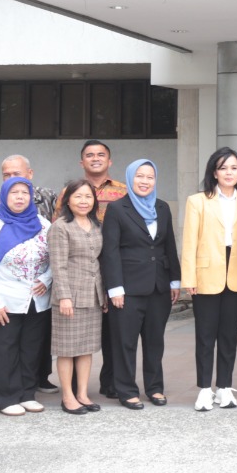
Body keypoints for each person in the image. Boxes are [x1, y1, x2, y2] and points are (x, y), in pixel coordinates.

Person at [0, 177, 52, 416]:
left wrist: (46, 280)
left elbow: (56, 256)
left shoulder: (44, 224)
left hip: (36, 300)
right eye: (14, 192)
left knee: (30, 349)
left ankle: (26, 393)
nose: (19, 197)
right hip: (1, 299)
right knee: (2, 350)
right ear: (4, 196)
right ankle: (5, 397)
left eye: (24, 193)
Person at [101, 159, 180, 409]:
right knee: (125, 341)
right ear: (130, 178)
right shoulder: (117, 209)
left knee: (155, 340)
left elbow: (169, 246)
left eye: (150, 177)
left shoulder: (162, 207)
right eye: (140, 176)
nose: (145, 181)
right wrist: (114, 288)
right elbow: (110, 251)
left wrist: (175, 281)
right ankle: (126, 390)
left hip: (159, 286)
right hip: (127, 288)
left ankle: (155, 388)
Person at [181, 147, 237, 412]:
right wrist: (189, 277)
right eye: (223, 168)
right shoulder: (198, 201)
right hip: (206, 273)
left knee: (229, 335)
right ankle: (204, 390)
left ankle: (224, 387)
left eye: (233, 167)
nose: (228, 172)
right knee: (205, 336)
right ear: (214, 172)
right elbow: (189, 243)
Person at [0, 154, 58, 393]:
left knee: (38, 335)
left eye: (18, 174)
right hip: (10, 286)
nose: (13, 180)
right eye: (7, 175)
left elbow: (57, 239)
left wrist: (47, 277)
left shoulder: (49, 197)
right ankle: (9, 387)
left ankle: (37, 378)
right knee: (10, 339)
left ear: (30, 174)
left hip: (41, 281)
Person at [48, 179, 104, 415]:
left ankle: (82, 393)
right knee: (67, 348)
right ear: (67, 200)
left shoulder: (96, 225)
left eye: (88, 196)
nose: (83, 201)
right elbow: (58, 265)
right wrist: (64, 297)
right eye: (78, 196)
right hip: (69, 297)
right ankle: (68, 396)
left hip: (93, 295)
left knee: (86, 348)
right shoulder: (61, 226)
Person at [77, 140, 128, 400]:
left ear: (109, 161)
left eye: (101, 155)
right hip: (81, 269)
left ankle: (112, 382)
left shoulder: (123, 191)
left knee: (114, 329)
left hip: (114, 266)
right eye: (89, 155)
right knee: (79, 326)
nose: (95, 158)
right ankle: (77, 386)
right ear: (82, 162)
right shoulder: (71, 192)